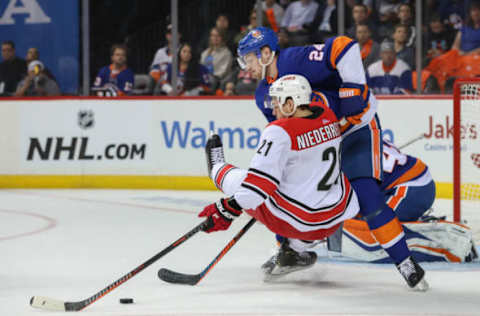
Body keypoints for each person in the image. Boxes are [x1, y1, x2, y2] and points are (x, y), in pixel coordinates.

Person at [236, 27, 427, 290]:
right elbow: (285, 131)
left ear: (266, 53)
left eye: (248, 58)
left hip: (355, 128)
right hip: (320, 140)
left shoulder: (295, 60)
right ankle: (291, 251)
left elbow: (344, 47)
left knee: (367, 196)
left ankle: (405, 263)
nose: (246, 66)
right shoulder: (262, 96)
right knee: (293, 193)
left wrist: (355, 90)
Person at [201, 74, 360, 279]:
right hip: (332, 221)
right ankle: (291, 252)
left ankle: (216, 168)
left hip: (299, 222)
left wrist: (227, 208)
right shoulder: (327, 115)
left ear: (291, 103)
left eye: (277, 101)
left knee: (244, 180)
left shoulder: (279, 131)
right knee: (298, 186)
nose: (273, 107)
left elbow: (256, 187)